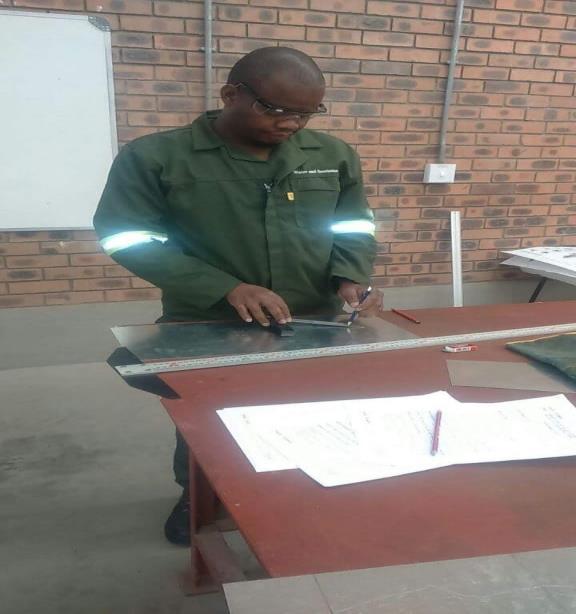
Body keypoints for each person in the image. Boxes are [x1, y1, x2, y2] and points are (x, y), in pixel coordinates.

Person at [94, 46, 379, 545]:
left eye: (307, 113)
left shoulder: (331, 156)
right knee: (209, 420)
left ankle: (293, 490)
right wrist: (225, 287)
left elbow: (353, 224)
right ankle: (198, 494)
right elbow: (126, 237)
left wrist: (350, 276)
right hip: (206, 319)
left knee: (308, 414)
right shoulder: (156, 158)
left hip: (314, 319)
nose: (292, 123)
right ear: (231, 95)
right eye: (277, 110)